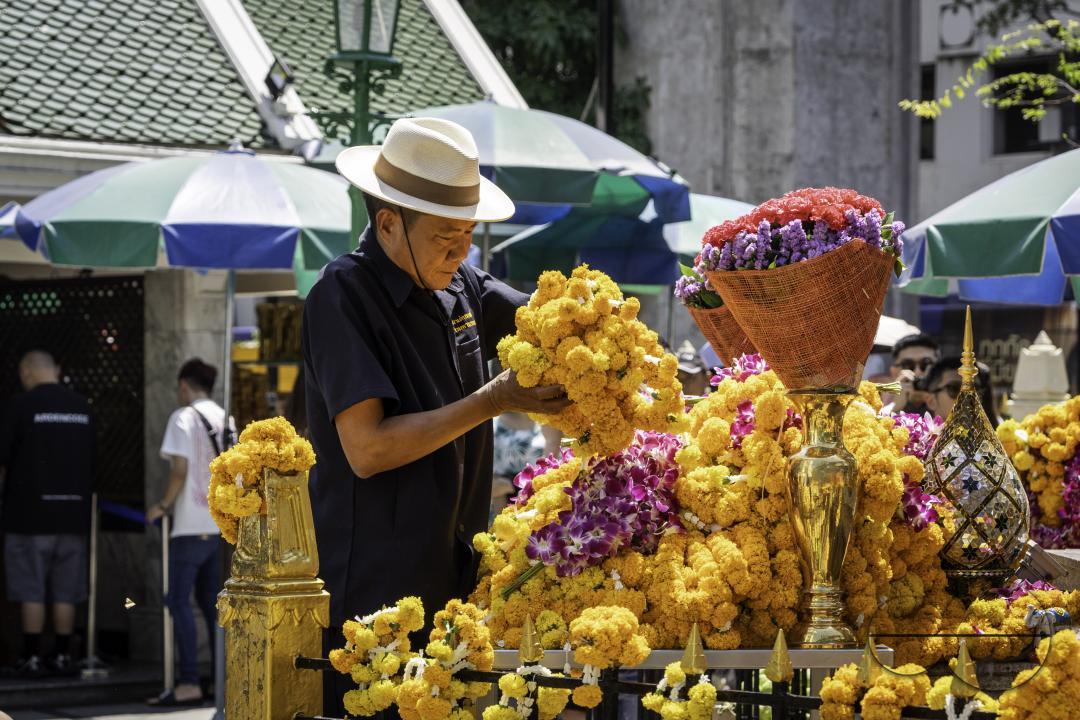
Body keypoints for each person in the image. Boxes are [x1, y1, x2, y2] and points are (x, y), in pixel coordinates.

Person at [302, 117, 571, 714]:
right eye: (447, 234)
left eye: (469, 233)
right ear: (389, 223)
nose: (462, 249)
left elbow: (555, 322)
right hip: (369, 605)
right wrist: (492, 401)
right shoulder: (340, 296)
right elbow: (367, 449)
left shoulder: (462, 287)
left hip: (455, 590)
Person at [0, 350, 95, 678]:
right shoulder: (82, 407)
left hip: (28, 517)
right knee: (66, 590)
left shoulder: (20, 406)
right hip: (73, 516)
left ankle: (32, 657)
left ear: (26, 371)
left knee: (31, 588)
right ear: (56, 369)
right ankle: (62, 656)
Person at [145, 359, 233, 706]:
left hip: (187, 526)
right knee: (212, 606)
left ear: (184, 385)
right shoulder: (225, 417)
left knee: (177, 601)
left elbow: (179, 469)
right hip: (217, 526)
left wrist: (162, 506)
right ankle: (218, 680)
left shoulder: (182, 417)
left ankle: (188, 681)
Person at [924, 356, 1000, 427]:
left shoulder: (1003, 439)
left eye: (975, 391)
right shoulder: (915, 440)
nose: (967, 397)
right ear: (931, 401)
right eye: (954, 388)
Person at [891, 333, 940, 414]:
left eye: (926, 363)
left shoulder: (952, 400)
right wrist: (895, 408)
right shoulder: (875, 405)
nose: (917, 372)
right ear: (894, 372)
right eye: (907, 364)